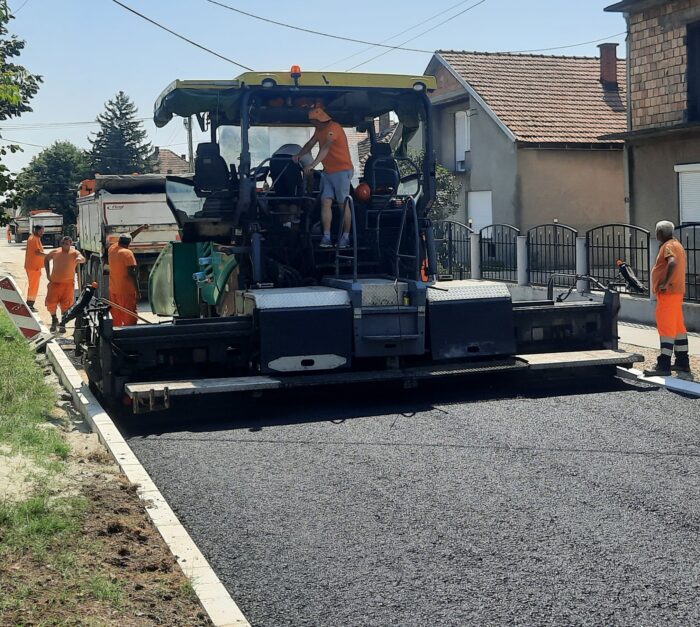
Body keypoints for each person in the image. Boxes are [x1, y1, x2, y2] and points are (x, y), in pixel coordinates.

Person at [293, 104, 354, 248]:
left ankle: (346, 236)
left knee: (342, 203)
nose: (312, 124)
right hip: (328, 172)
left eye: (313, 121)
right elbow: (310, 144)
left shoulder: (334, 128)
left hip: (342, 171)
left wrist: (312, 165)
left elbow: (326, 147)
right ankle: (326, 236)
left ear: (320, 120)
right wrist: (299, 155)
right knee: (325, 202)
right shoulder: (318, 130)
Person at [644, 220, 689, 376]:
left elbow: (672, 262)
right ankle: (682, 362)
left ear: (660, 233)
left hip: (668, 293)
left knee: (666, 327)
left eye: (657, 231)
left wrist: (664, 283)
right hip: (676, 292)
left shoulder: (668, 246)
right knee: (678, 327)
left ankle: (663, 364)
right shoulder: (678, 245)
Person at [44, 236, 85, 332]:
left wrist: (79, 259)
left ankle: (63, 324)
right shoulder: (55, 252)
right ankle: (54, 319)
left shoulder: (74, 253)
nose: (64, 245)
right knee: (50, 303)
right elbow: (46, 259)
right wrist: (47, 273)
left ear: (70, 244)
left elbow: (82, 258)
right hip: (55, 283)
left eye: (66, 244)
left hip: (68, 285)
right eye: (63, 243)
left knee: (65, 305)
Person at [108, 234, 139, 327]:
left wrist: (140, 229)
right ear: (129, 243)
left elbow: (129, 235)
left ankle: (116, 332)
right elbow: (132, 273)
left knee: (116, 315)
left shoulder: (112, 249)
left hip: (114, 290)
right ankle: (130, 333)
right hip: (126, 291)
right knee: (130, 316)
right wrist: (137, 291)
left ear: (119, 241)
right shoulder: (127, 253)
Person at [24, 224, 45, 311]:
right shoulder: (34, 239)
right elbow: (37, 252)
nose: (43, 233)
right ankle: (29, 305)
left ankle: (30, 304)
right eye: (41, 231)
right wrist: (49, 256)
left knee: (33, 286)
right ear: (36, 230)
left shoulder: (34, 238)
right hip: (33, 267)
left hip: (34, 266)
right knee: (33, 287)